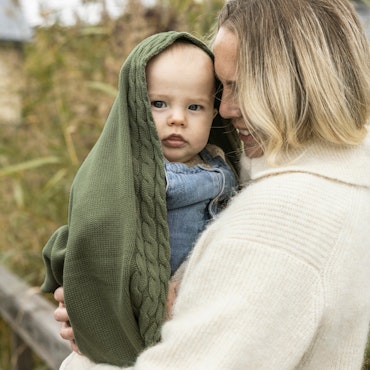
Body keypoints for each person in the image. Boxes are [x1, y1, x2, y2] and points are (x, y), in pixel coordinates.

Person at [56, 0, 370, 368]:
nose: (225, 109)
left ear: (299, 83)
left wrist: (96, 351)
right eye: (222, 87)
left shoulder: (278, 224)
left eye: (240, 86)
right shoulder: (347, 182)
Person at [40, 31, 239, 366]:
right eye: (159, 104)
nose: (177, 118)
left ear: (214, 112)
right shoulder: (126, 175)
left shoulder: (222, 161)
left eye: (195, 106)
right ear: (134, 105)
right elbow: (94, 231)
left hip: (207, 316)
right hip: (151, 317)